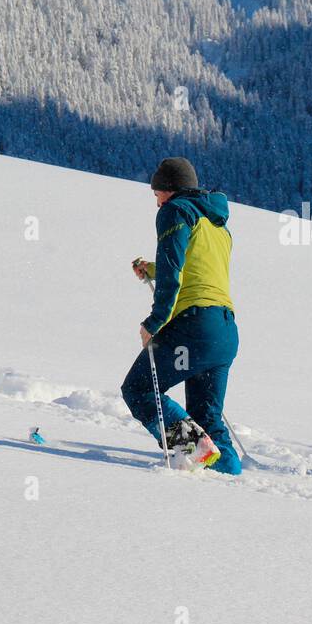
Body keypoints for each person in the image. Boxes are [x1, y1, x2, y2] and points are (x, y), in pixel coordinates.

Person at [120, 157, 242, 474]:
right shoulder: (217, 224)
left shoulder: (174, 212)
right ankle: (228, 472)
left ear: (170, 189)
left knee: (139, 389)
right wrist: (151, 269)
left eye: (157, 193)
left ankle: (192, 448)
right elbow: (192, 266)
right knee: (206, 416)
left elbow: (174, 274)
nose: (156, 202)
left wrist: (154, 322)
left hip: (194, 325)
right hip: (225, 331)